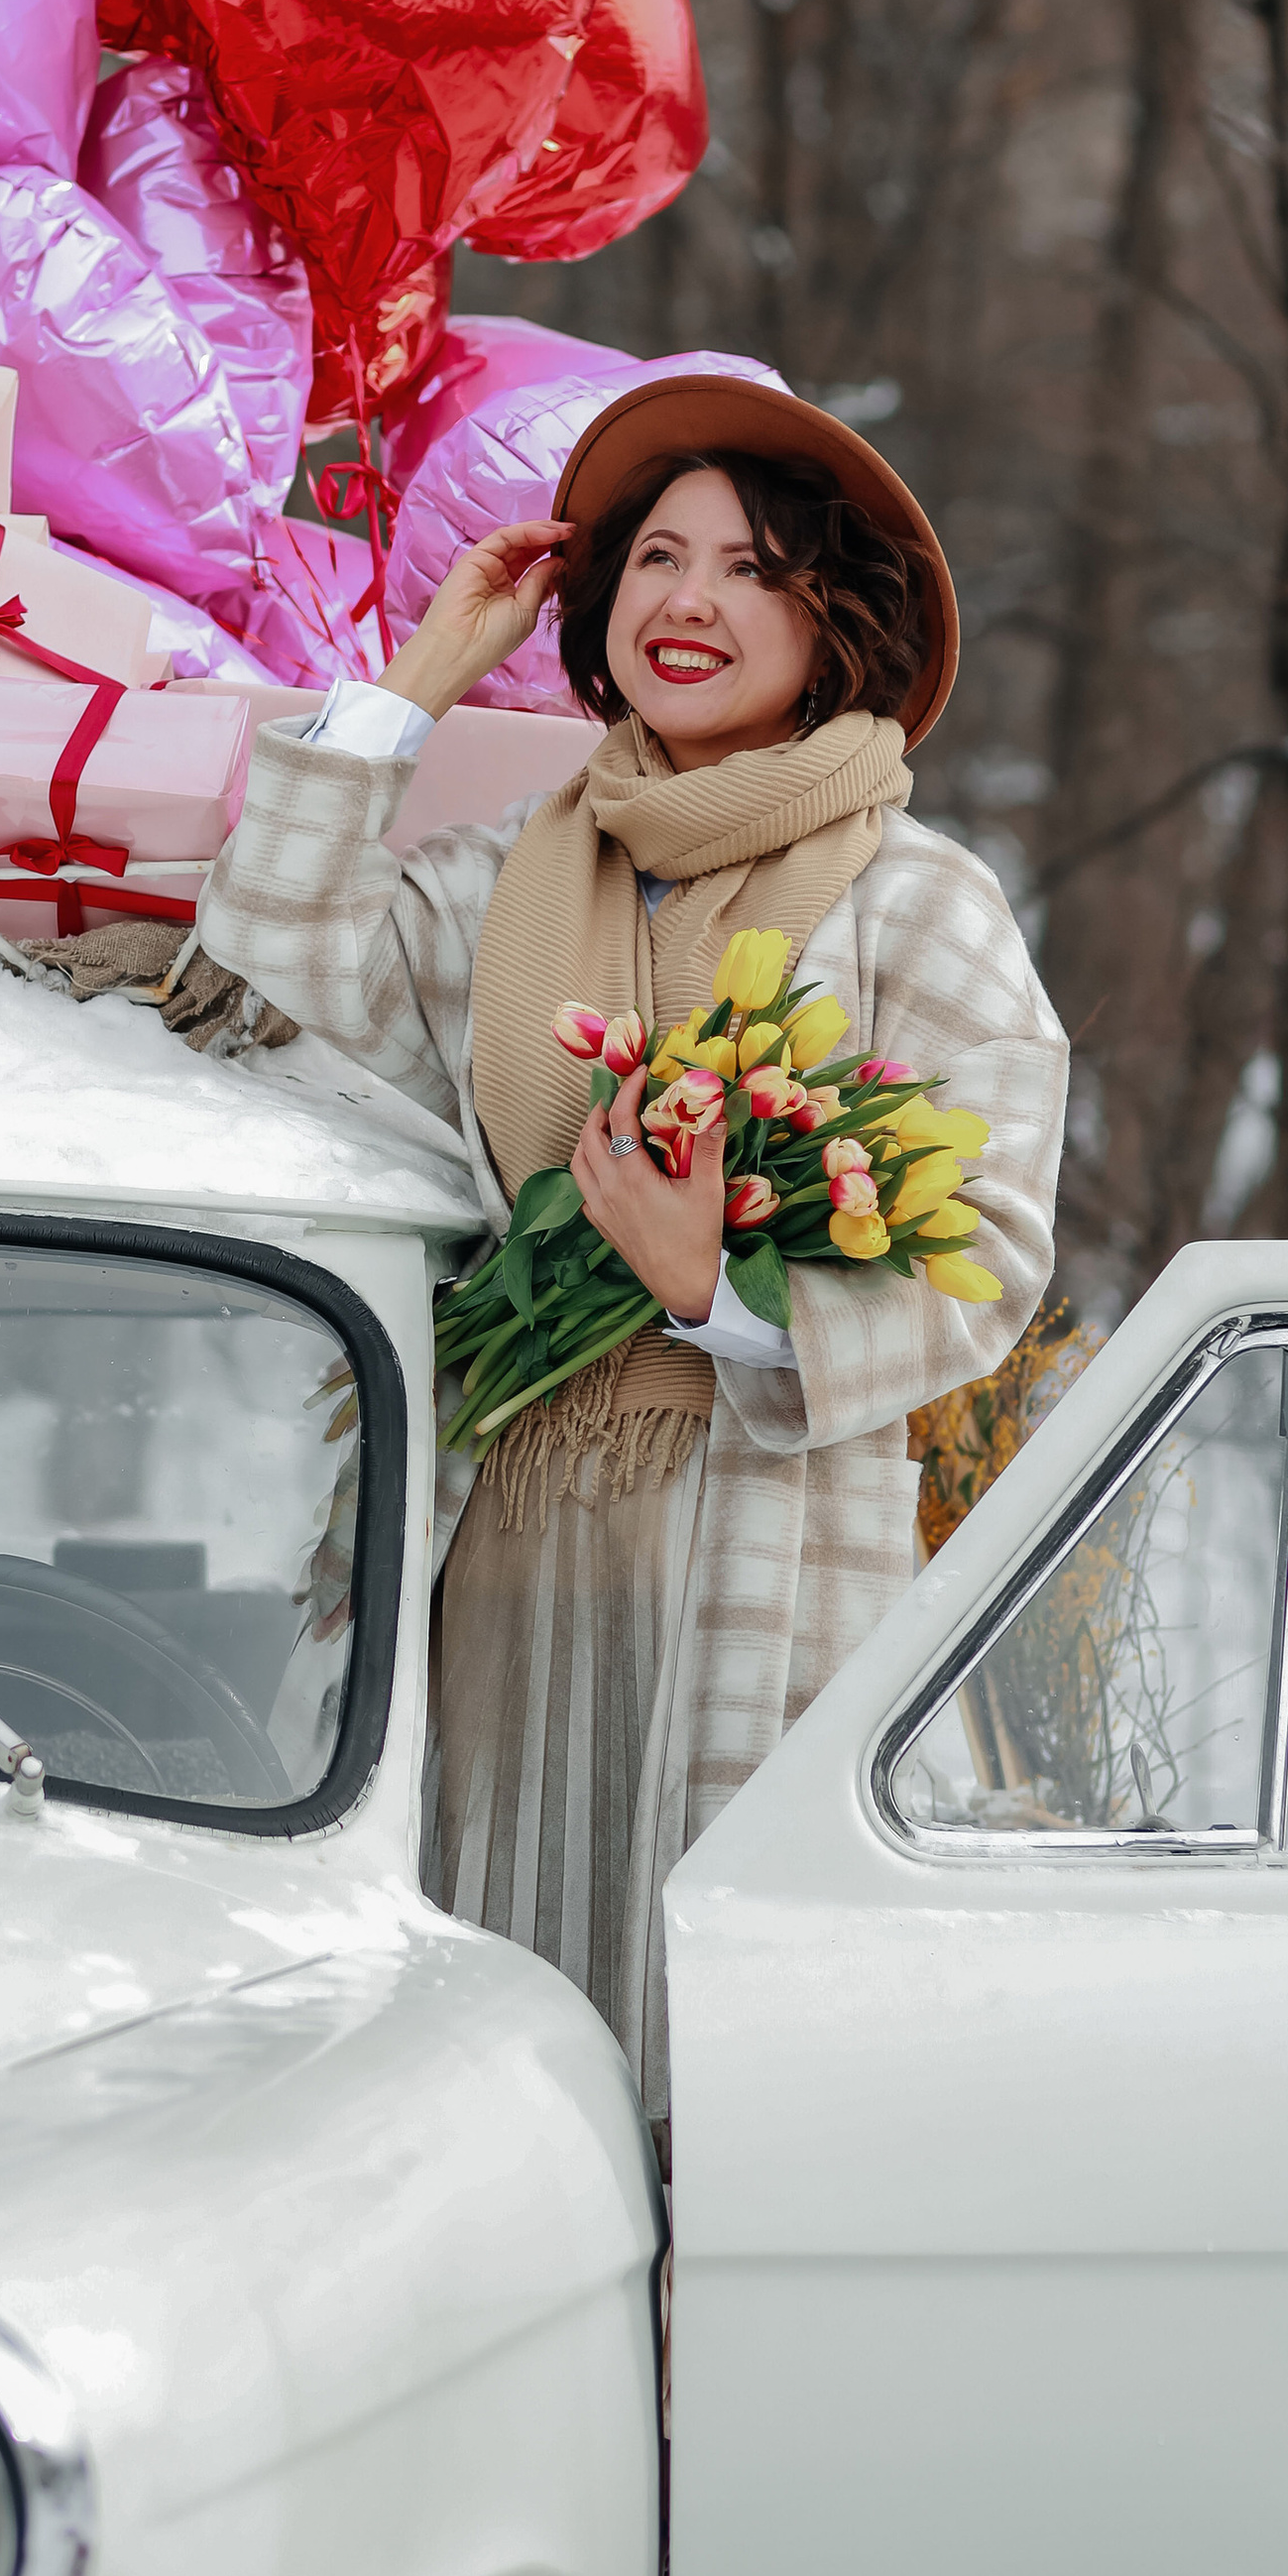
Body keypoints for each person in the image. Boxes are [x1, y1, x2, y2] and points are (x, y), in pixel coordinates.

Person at [198, 373, 1067, 2126]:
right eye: (653, 560)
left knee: (724, 2055)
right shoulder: (507, 880)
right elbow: (269, 951)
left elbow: (989, 1253)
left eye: (749, 569)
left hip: (756, 1533)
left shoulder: (917, 900)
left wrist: (715, 1288)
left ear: (834, 625)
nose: (686, 601)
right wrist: (421, 677)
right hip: (510, 1534)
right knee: (489, 2032)